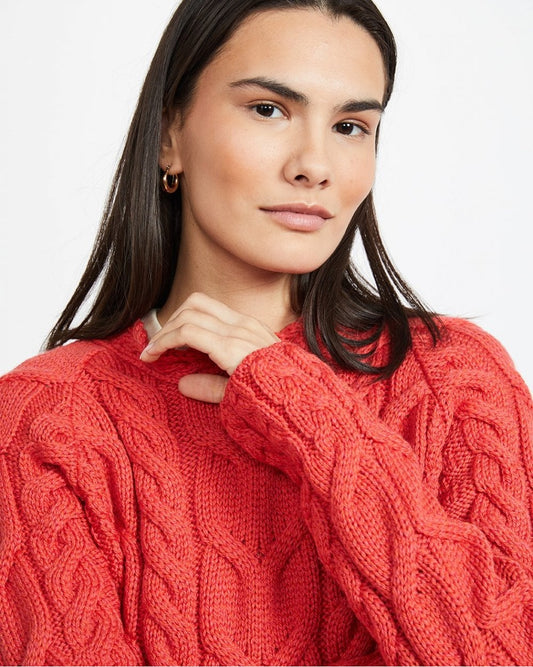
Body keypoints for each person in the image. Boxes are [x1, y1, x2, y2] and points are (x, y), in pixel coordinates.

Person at [0, 0, 531, 664]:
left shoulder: (453, 381)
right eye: (268, 109)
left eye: (350, 126)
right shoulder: (46, 420)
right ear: (169, 135)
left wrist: (306, 411)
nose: (315, 165)